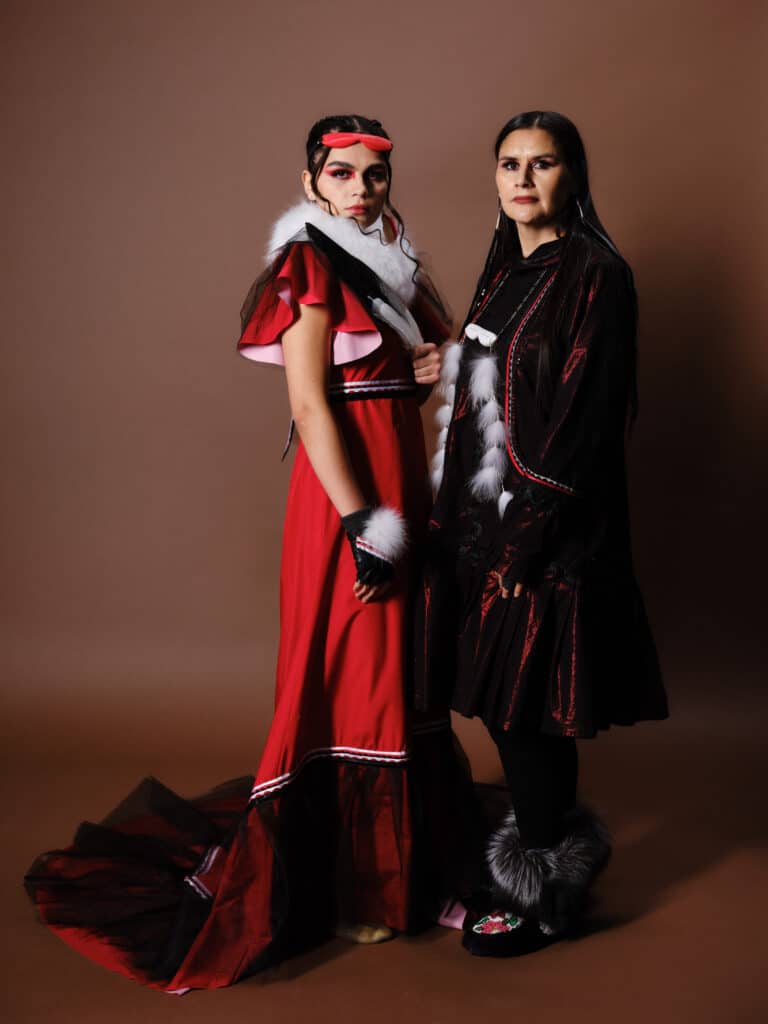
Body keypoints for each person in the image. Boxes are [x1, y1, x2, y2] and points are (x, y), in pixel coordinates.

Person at [25, 114, 471, 992]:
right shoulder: (309, 265)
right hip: (349, 495)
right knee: (352, 670)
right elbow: (310, 405)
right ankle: (354, 888)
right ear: (312, 185)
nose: (360, 190)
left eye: (373, 177)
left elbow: (408, 370)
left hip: (403, 477)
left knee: (402, 665)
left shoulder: (396, 264)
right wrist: (359, 523)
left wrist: (429, 370)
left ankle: (408, 873)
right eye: (341, 176)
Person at [415, 110, 669, 957]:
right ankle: (539, 849)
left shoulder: (596, 273)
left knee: (530, 709)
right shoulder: (505, 274)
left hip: (543, 535)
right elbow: (499, 387)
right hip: (482, 531)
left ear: (573, 175)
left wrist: (526, 542)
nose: (523, 179)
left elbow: (580, 423)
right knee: (503, 704)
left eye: (544, 163)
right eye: (510, 164)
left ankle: (546, 885)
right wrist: (452, 362)